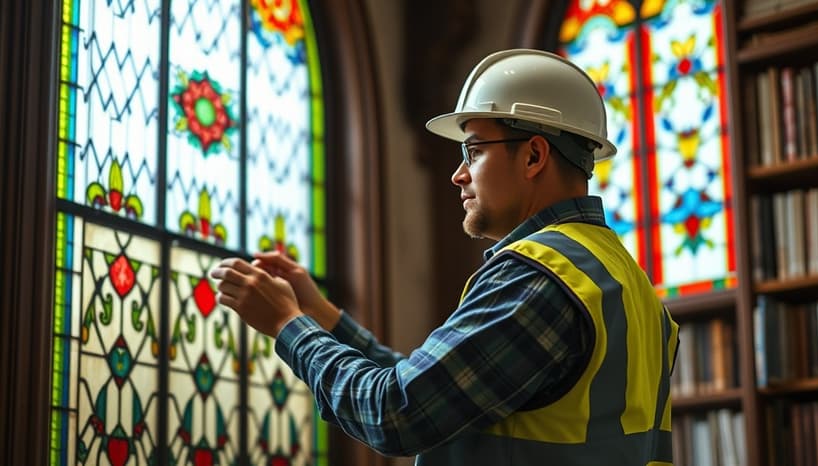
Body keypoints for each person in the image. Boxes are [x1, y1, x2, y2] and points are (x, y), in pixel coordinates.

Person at [211, 48, 679, 465]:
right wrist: (324, 317)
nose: (458, 175)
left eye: (473, 151)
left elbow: (396, 413)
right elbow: (445, 393)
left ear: (534, 156)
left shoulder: (538, 277)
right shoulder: (621, 281)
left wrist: (288, 326)